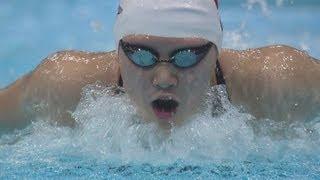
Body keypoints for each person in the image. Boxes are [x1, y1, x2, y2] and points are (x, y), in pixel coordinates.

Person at [0, 0, 319, 131]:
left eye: (187, 56)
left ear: (215, 52)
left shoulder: (279, 83)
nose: (164, 78)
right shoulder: (63, 86)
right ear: (119, 49)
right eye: (141, 54)